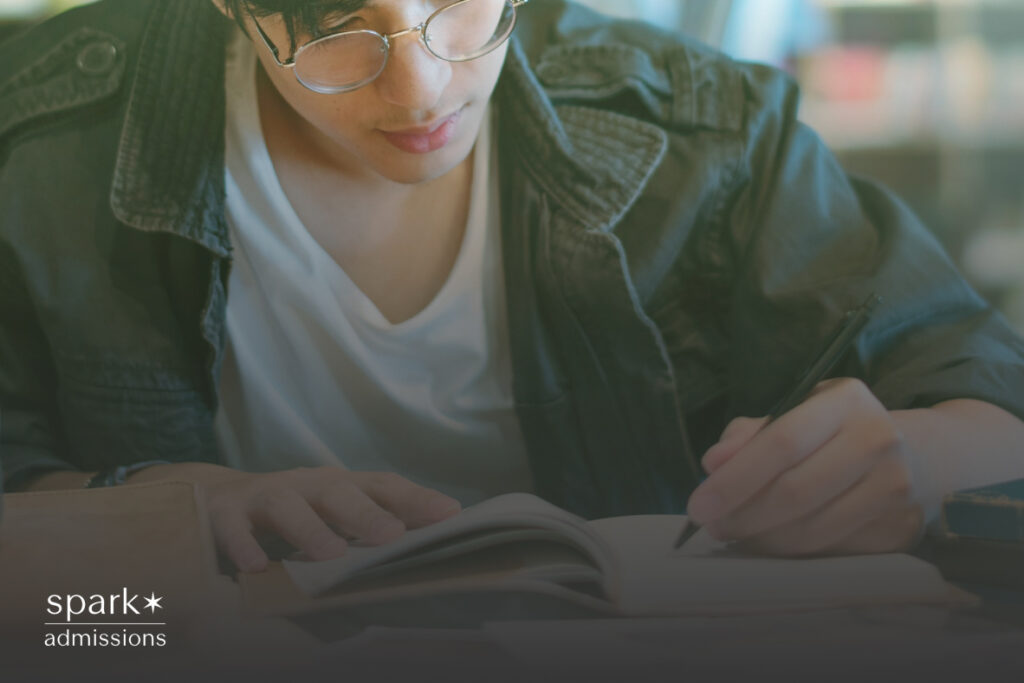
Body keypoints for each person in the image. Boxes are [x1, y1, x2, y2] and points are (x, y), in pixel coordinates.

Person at [2, 0, 1023, 576]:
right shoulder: (33, 130)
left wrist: (926, 454)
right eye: (334, 24)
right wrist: (131, 510)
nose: (422, 85)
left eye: (454, 3)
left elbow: (988, 393)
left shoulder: (704, 132)